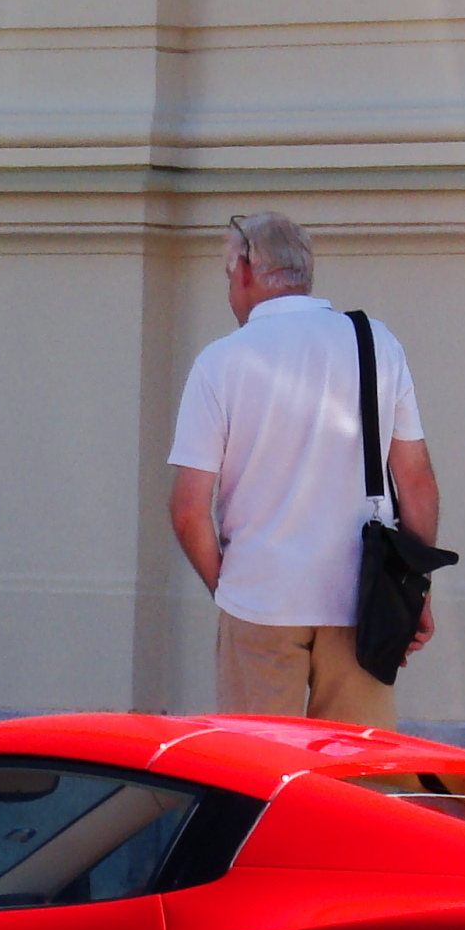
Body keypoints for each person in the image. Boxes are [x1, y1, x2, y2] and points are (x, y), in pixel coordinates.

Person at [167, 212, 441, 725]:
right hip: (360, 605)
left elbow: (187, 510)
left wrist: (227, 588)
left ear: (246, 269)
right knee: (353, 783)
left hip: (259, 600)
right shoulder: (376, 344)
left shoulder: (220, 361)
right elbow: (417, 483)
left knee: (259, 779)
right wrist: (414, 589)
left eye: (229, 277)